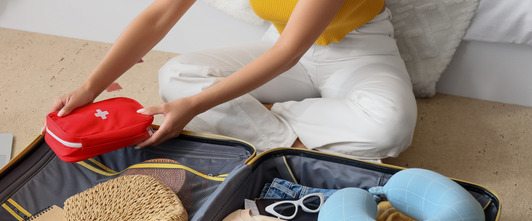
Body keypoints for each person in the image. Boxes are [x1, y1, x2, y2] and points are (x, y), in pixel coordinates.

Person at [47, 0, 417, 161]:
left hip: (359, 50)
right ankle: (293, 141)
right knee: (176, 76)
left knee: (390, 129)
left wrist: (198, 106)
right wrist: (89, 87)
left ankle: (257, 118)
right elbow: (159, 16)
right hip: (280, 48)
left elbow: (287, 52)